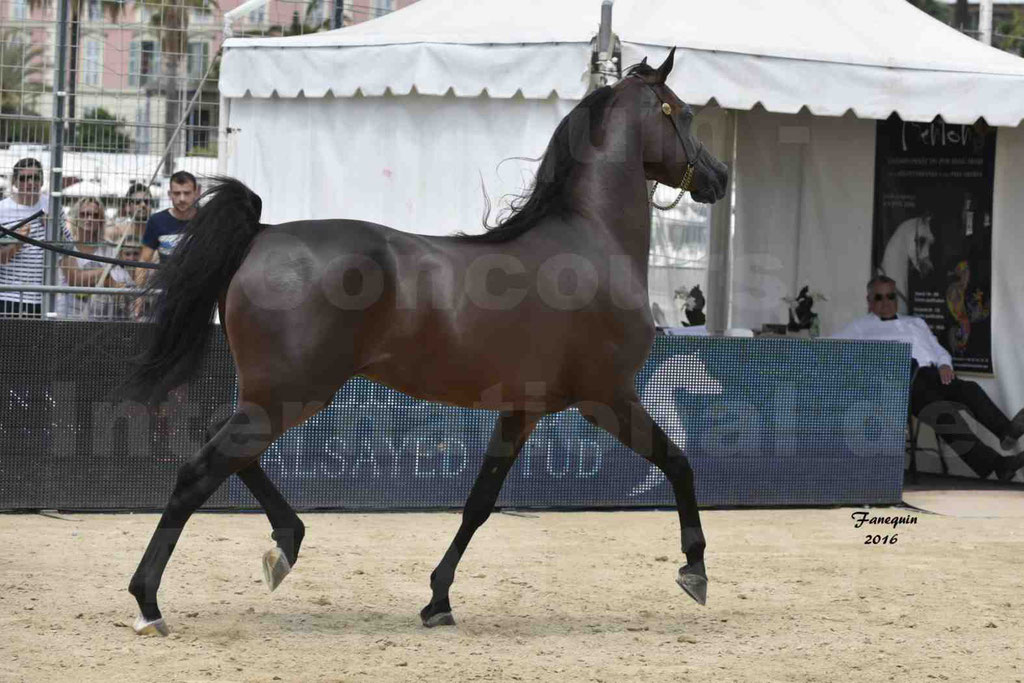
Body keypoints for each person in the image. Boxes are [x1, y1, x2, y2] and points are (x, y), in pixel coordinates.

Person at [833, 275, 1024, 481]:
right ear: (869, 301)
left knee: (970, 389)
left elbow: (938, 350)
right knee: (944, 414)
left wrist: (944, 364)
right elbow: (829, 345)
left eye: (890, 296)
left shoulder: (915, 322)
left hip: (933, 375)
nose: (886, 302)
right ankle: (998, 465)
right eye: (879, 298)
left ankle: (1006, 432)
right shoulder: (860, 327)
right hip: (903, 385)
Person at [0, 158, 71, 318]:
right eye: (24, 178)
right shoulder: (2, 210)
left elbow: (68, 249)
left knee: (39, 343)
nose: (30, 182)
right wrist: (15, 243)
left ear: (42, 181)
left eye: (35, 177)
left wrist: (54, 230)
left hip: (43, 296)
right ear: (15, 182)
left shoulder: (52, 206)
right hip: (8, 295)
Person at [57, 196, 132, 319]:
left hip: (102, 316)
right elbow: (74, 279)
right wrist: (105, 273)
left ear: (101, 220)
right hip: (70, 315)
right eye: (84, 214)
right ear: (76, 217)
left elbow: (121, 283)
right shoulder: (68, 246)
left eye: (95, 215)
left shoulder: (109, 248)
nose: (89, 219)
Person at [140, 171, 199, 268]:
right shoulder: (156, 221)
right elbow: (144, 260)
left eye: (187, 193)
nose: (182, 199)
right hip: (166, 281)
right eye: (177, 193)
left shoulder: (207, 219)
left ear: (196, 194)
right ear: (169, 194)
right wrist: (138, 283)